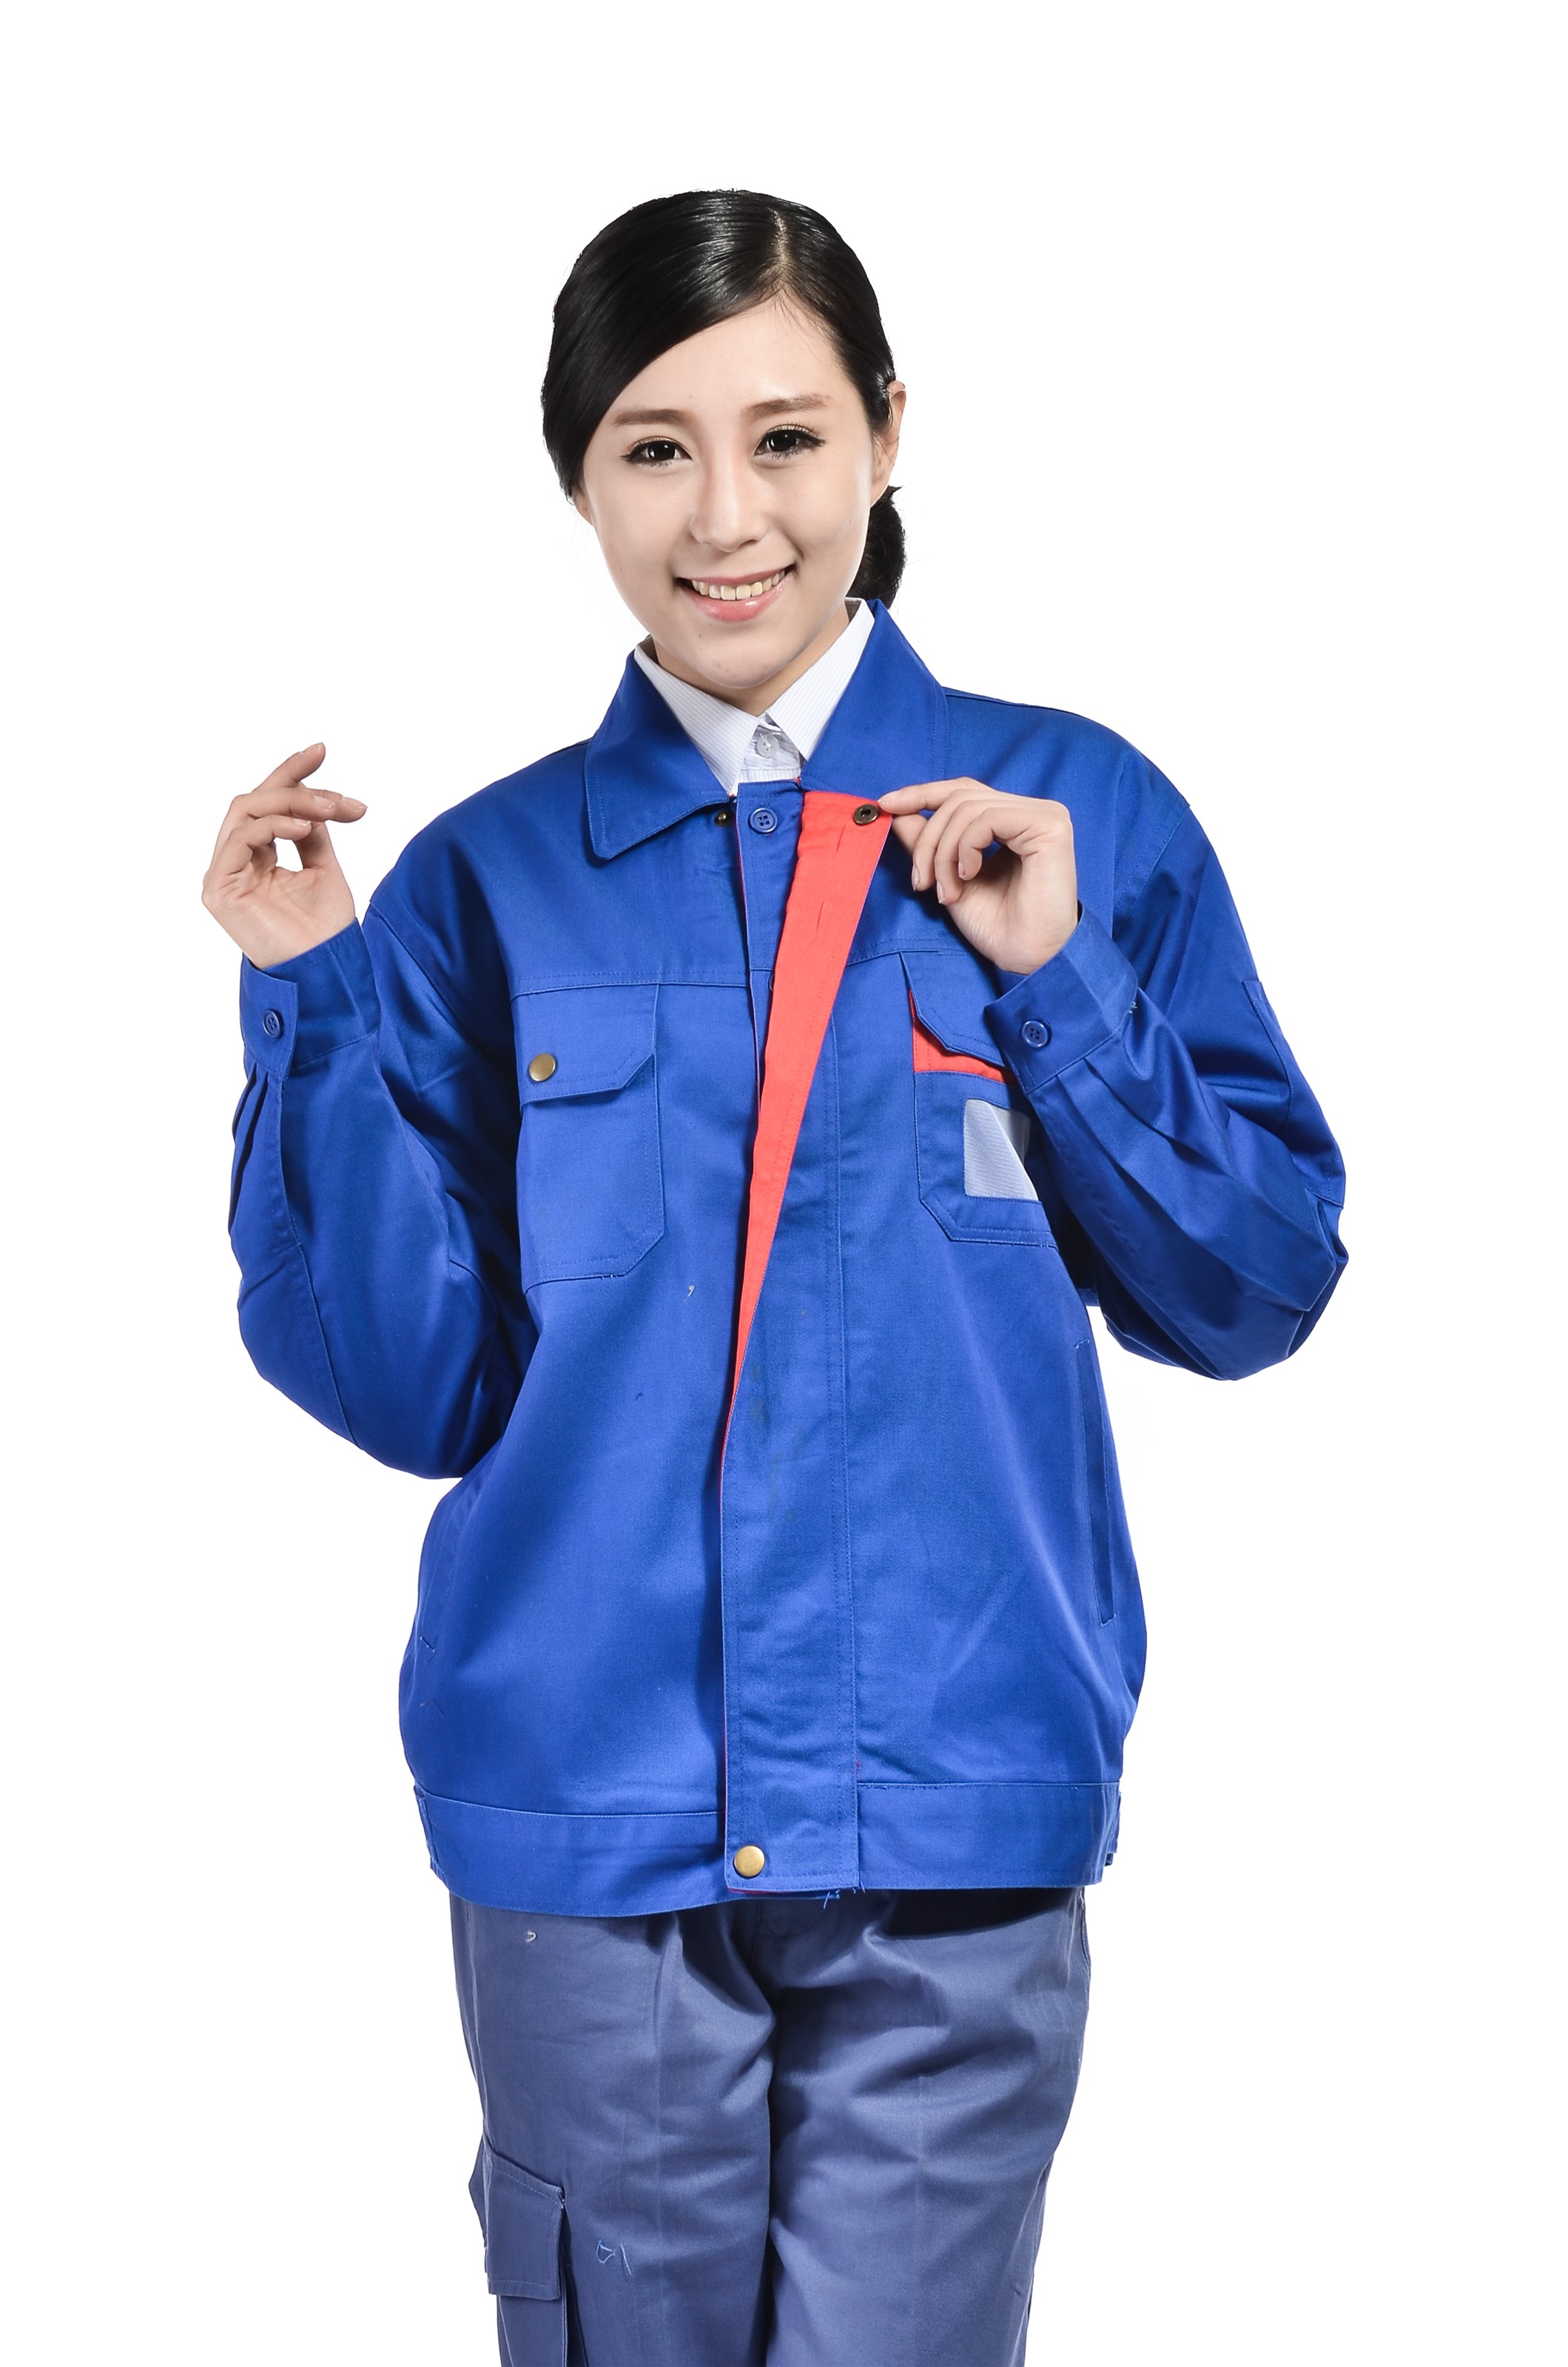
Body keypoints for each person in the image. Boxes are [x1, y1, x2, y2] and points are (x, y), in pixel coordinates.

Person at [203, 189, 1346, 2367]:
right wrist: (317, 1003)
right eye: (654, 448)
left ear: (889, 435)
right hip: (591, 1820)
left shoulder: (1075, 815)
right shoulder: (484, 879)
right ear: (578, 477)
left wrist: (1055, 992)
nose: (726, 520)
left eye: (789, 439)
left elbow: (1255, 1288)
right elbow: (408, 1387)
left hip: (953, 1816)